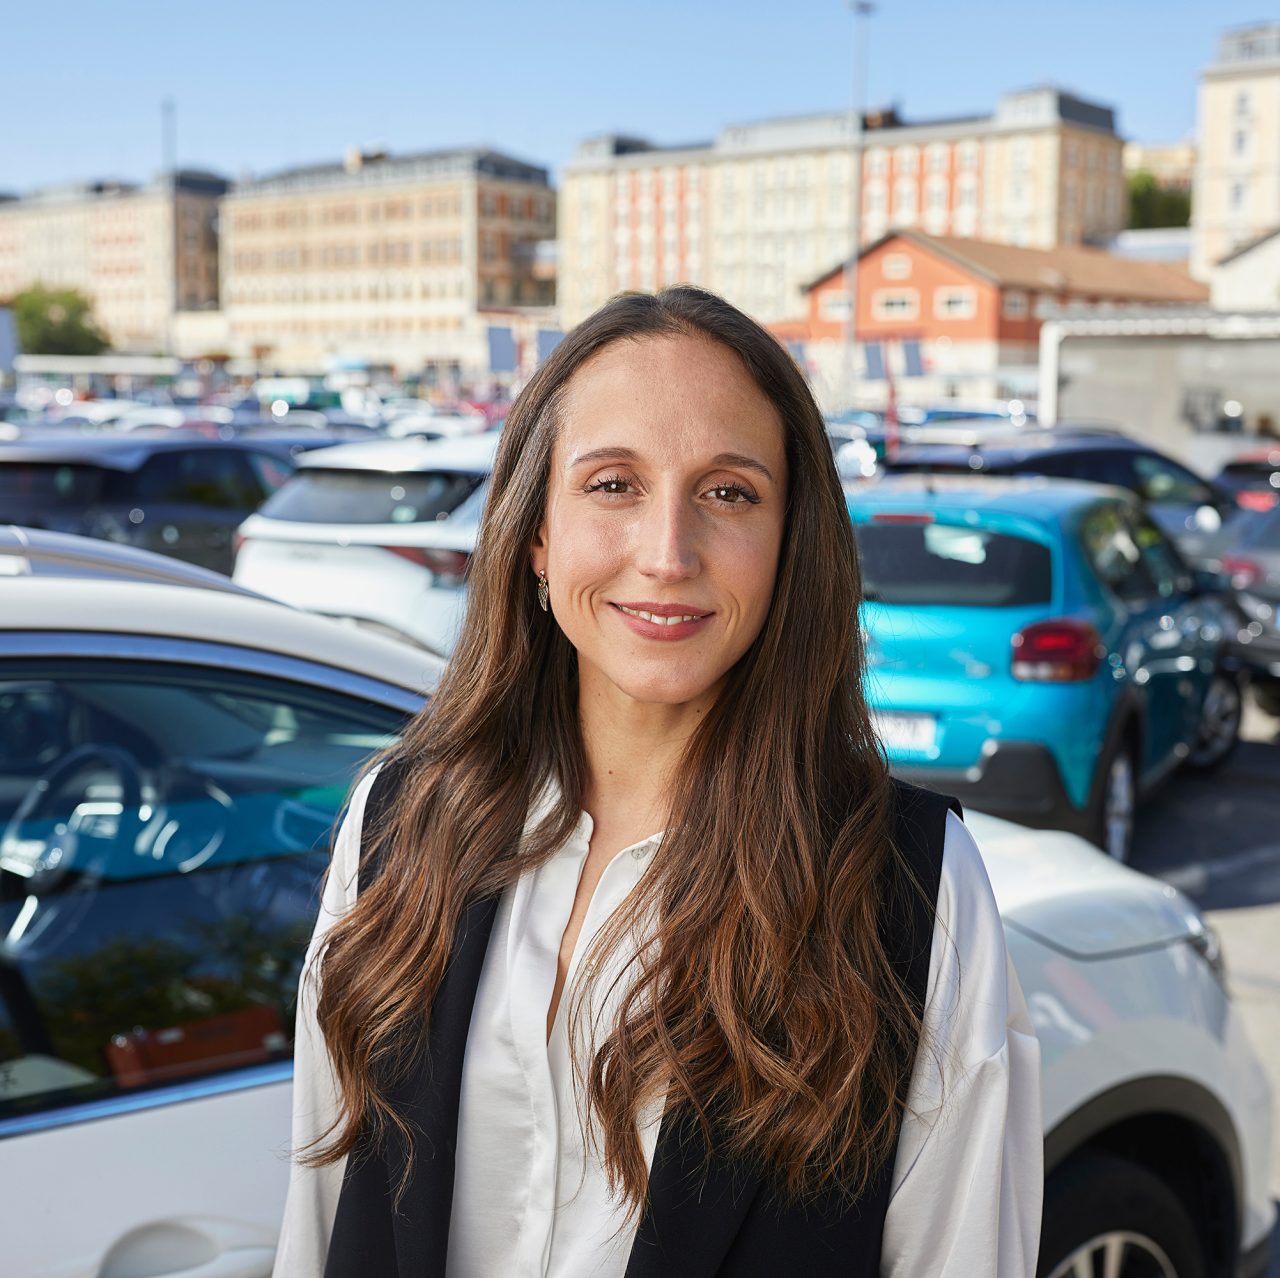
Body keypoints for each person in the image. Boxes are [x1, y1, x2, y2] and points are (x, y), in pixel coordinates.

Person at [273, 287, 1042, 1277]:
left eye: (727, 492)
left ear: (786, 545)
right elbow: (323, 1217)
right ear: (536, 534)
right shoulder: (396, 823)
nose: (667, 554)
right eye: (611, 485)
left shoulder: (913, 890)